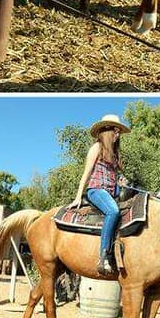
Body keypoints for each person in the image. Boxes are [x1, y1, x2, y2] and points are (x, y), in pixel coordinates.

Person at [70, 114, 130, 276]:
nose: (118, 134)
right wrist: (78, 196)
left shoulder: (115, 154)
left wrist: (121, 183)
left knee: (133, 196)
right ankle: (103, 255)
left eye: (119, 131)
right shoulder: (96, 148)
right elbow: (86, 174)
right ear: (107, 131)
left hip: (111, 190)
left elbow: (114, 177)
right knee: (113, 211)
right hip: (96, 189)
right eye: (116, 130)